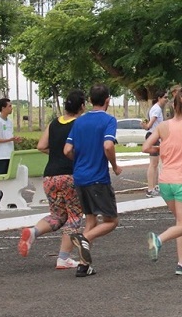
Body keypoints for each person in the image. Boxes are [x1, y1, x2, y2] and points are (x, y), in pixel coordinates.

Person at [17, 90, 87, 269]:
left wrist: (55, 152)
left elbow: (41, 145)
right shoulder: (80, 124)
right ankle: (63, 257)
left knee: (58, 215)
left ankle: (33, 231)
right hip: (70, 175)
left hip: (50, 176)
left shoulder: (54, 123)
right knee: (75, 216)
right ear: (82, 106)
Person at [143, 88, 182, 275]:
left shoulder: (163, 126)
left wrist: (164, 151)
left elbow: (146, 147)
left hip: (165, 182)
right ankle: (158, 240)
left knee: (179, 223)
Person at [64, 84, 123, 277]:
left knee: (91, 218)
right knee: (111, 220)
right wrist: (114, 165)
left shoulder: (78, 122)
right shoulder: (108, 120)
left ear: (90, 100)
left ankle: (83, 265)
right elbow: (108, 146)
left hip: (80, 177)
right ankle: (84, 237)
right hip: (98, 178)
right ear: (107, 100)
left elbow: (67, 150)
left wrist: (80, 161)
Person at [0, 98, 22, 209]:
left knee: (10, 178)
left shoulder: (9, 122)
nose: (11, 108)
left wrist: (14, 140)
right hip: (0, 155)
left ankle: (8, 199)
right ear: (3, 108)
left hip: (9, 154)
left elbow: (9, 137)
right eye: (9, 106)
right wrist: (9, 140)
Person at [144, 90, 168, 197]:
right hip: (153, 137)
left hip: (156, 137)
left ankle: (155, 187)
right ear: (159, 98)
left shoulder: (157, 109)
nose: (166, 99)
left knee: (157, 163)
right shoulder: (157, 109)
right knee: (153, 164)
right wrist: (145, 125)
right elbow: (150, 125)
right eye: (165, 97)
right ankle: (150, 189)